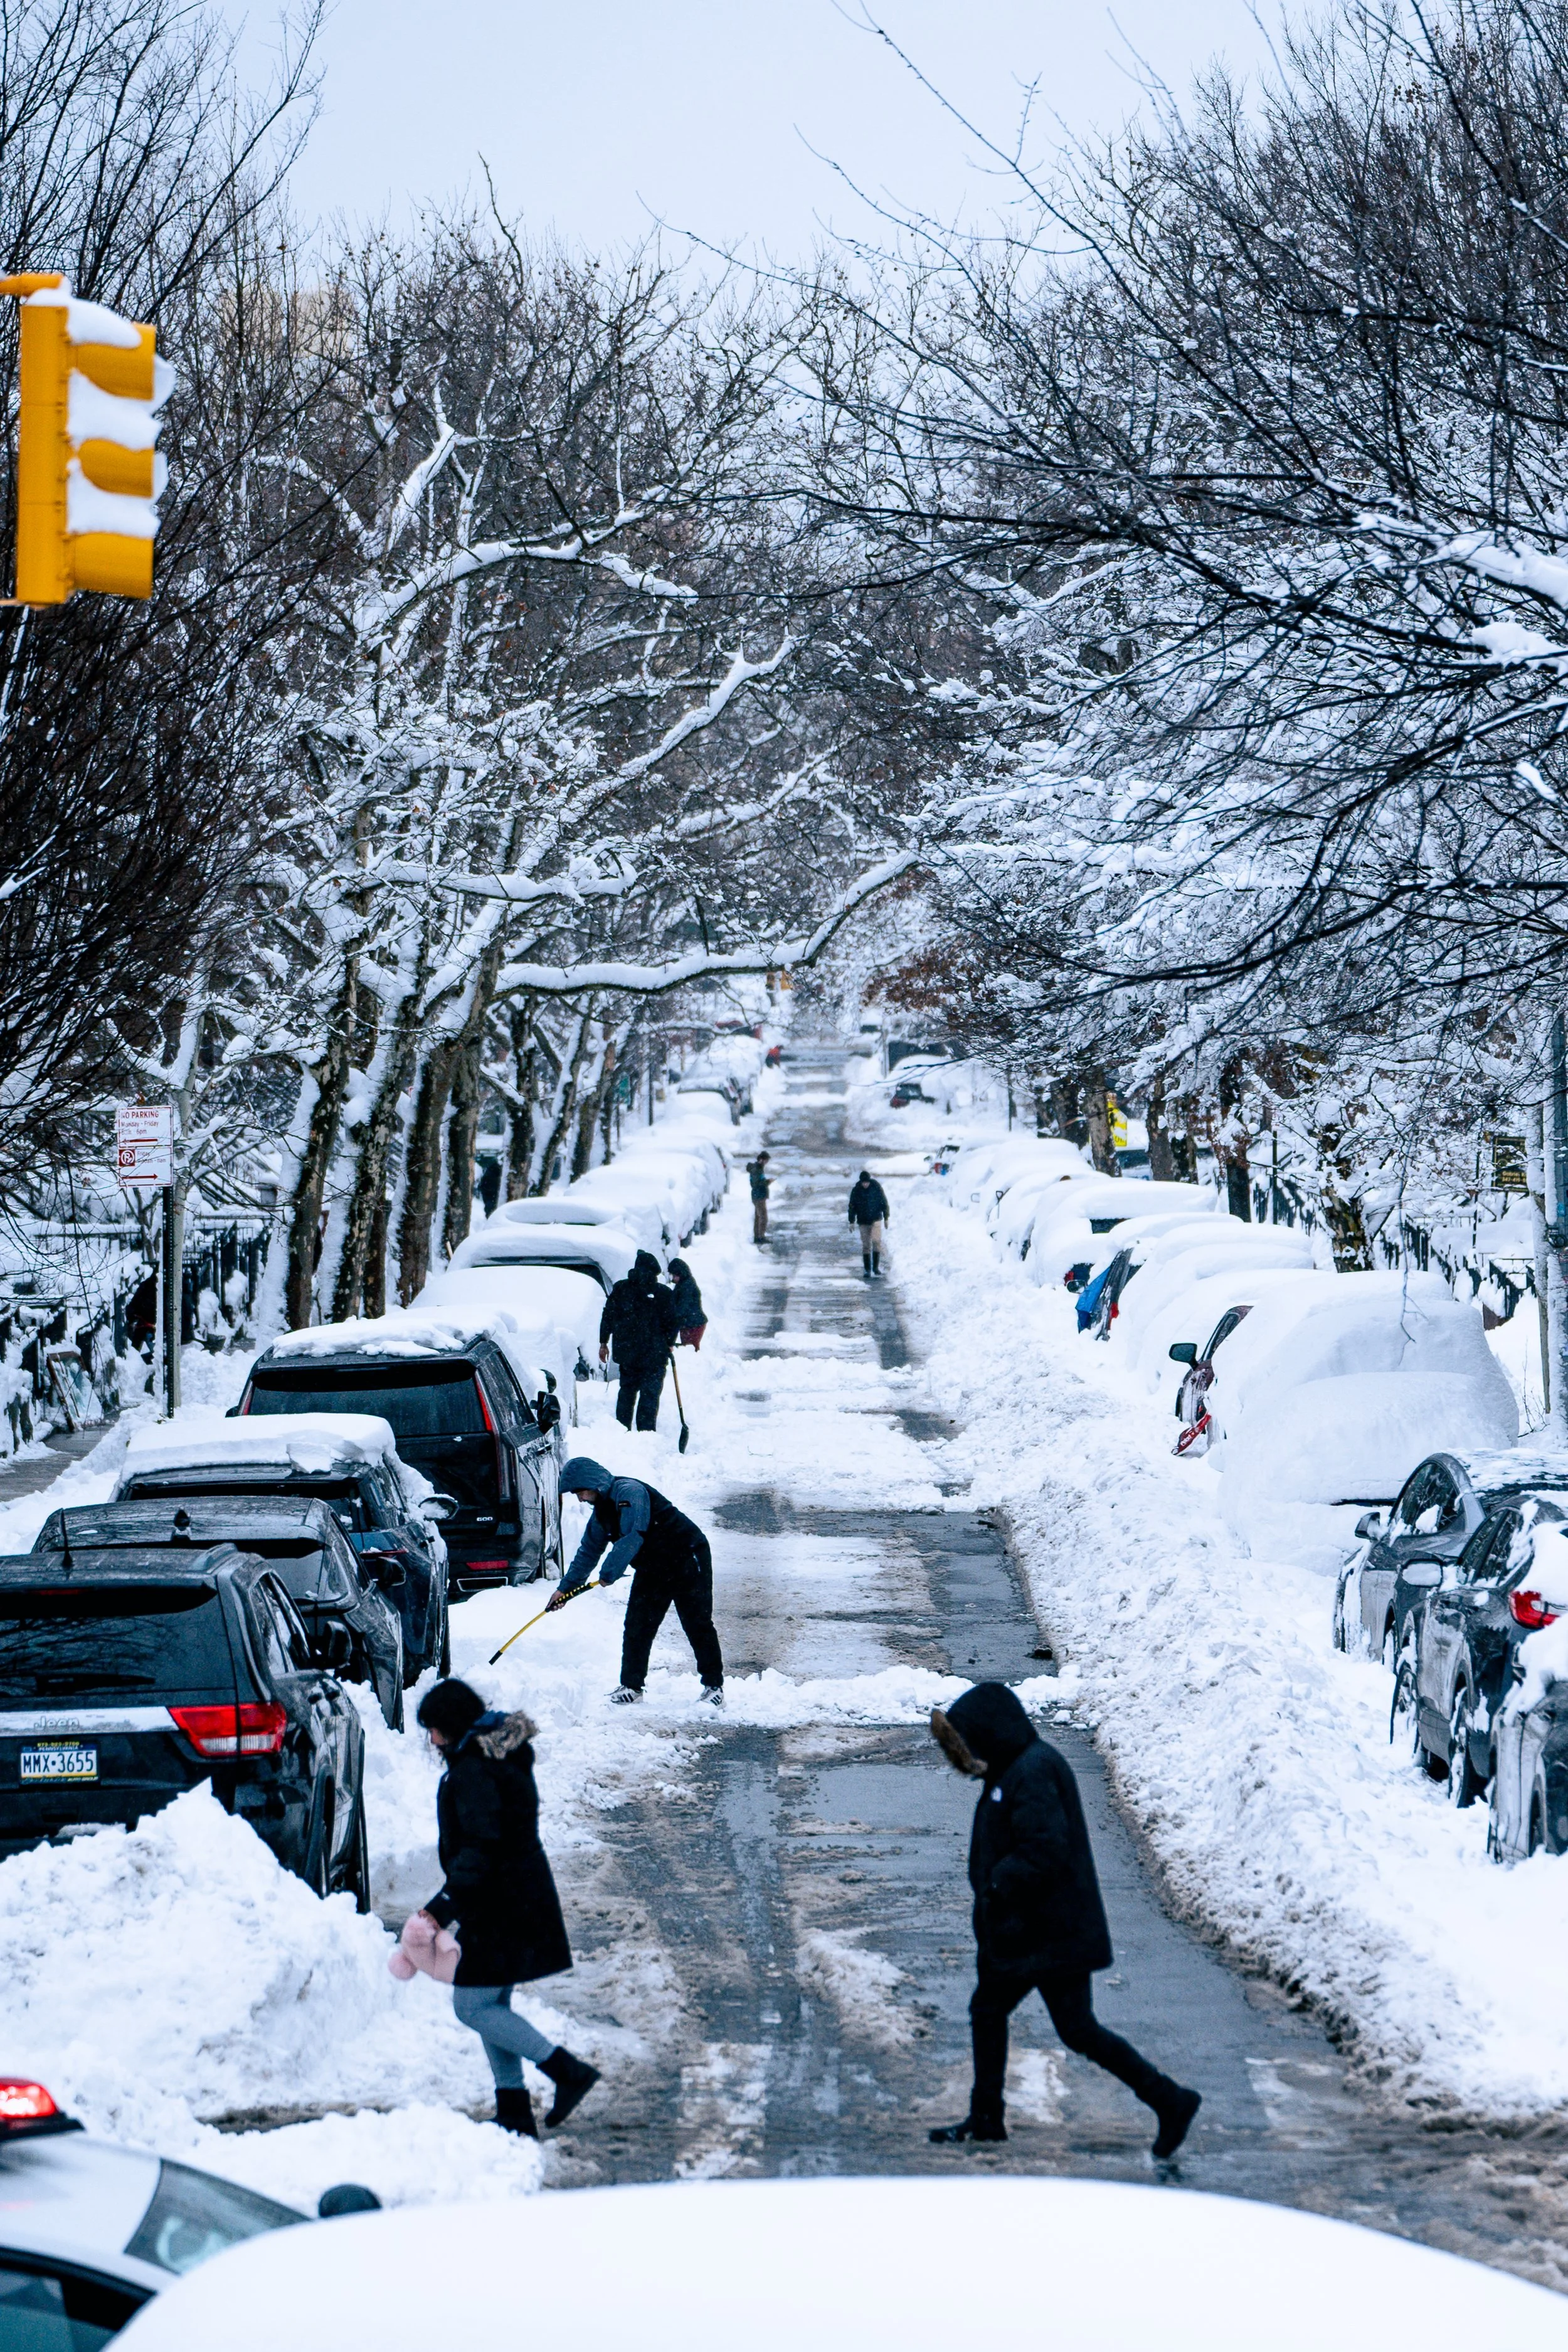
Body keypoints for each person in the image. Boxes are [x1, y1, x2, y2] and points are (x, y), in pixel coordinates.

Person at [927, 1682, 1200, 2158]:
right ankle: (987, 2117)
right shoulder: (1012, 1768)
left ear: (991, 1731)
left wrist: (998, 1885)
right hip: (1025, 1932)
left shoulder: (1032, 1771)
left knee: (1074, 2029)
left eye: (968, 1740)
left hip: (1049, 1934)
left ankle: (1170, 2100)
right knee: (996, 2013)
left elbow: (1045, 1848)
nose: (965, 1753)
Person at [413, 1677, 600, 2139]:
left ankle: (566, 2071)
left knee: (472, 2006)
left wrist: (442, 1907)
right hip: (514, 1896)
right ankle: (514, 2109)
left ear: (453, 1726)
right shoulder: (494, 1756)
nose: (432, 1739)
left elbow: (480, 1847)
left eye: (435, 1729)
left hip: (500, 1902)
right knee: (492, 2003)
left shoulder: (474, 1770)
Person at [549, 1456, 724, 1707]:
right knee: (637, 1626)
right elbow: (587, 1553)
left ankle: (714, 1687)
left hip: (687, 1556)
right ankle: (632, 1686)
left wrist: (609, 1573)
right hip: (653, 1567)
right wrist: (564, 1590)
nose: (580, 1498)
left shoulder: (630, 1492)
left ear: (593, 1483)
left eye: (581, 1492)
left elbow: (633, 1535)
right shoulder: (600, 1515)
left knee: (697, 1622)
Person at [599, 1248, 679, 1430]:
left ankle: (622, 1429)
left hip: (630, 1355)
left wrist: (603, 1342)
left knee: (627, 1392)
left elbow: (608, 1316)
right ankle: (646, 1432)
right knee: (649, 1396)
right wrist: (668, 1343)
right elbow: (673, 1322)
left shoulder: (621, 1289)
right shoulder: (663, 1293)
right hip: (654, 1356)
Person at [847, 1168, 891, 1278]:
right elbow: (852, 1207)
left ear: (870, 1181)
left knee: (877, 1241)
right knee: (866, 1245)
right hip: (863, 1221)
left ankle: (875, 1268)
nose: (865, 1184)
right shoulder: (856, 1190)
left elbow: (884, 1203)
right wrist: (851, 1221)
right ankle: (867, 1270)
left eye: (867, 1182)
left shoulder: (876, 1188)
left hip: (876, 1219)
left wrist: (886, 1218)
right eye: (864, 1183)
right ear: (861, 1182)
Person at [667, 1257, 707, 1350]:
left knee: (690, 1350)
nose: (673, 1279)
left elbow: (682, 1307)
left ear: (680, 1274)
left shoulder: (687, 1286)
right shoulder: (684, 1283)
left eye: (674, 1276)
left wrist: (673, 1317)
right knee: (689, 1349)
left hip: (693, 1324)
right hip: (690, 1323)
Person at [747, 1151, 772, 1243]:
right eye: (766, 1161)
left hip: (758, 1195)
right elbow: (756, 1184)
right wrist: (768, 1182)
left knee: (758, 1217)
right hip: (758, 1196)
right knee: (763, 1217)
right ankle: (761, 1237)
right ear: (761, 1160)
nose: (767, 1163)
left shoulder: (758, 1168)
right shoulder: (756, 1170)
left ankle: (758, 1237)